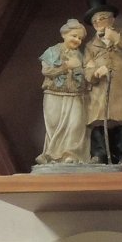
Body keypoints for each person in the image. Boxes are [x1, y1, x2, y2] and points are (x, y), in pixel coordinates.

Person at [82, 0, 122, 166]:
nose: (98, 22)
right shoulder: (90, 45)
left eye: (102, 18)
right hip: (100, 89)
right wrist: (95, 73)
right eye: (95, 20)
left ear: (112, 19)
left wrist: (117, 40)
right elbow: (86, 69)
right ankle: (99, 154)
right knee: (100, 122)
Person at [35, 19, 89, 165]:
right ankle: (52, 156)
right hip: (54, 93)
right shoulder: (52, 51)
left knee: (75, 125)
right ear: (64, 34)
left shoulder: (80, 55)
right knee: (54, 125)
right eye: (74, 36)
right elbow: (47, 71)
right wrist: (66, 66)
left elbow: (85, 75)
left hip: (76, 95)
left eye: (80, 38)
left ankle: (70, 155)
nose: (77, 40)